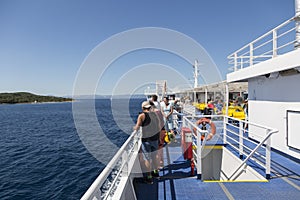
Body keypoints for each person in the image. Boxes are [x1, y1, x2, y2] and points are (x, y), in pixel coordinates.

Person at [134, 101, 160, 184]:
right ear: (149, 107)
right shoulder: (155, 114)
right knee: (154, 156)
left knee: (147, 159)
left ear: (142, 108)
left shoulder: (141, 115)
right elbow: (159, 126)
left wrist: (134, 128)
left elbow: (137, 127)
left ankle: (149, 177)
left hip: (147, 140)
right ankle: (155, 173)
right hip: (155, 139)